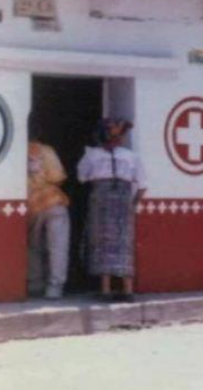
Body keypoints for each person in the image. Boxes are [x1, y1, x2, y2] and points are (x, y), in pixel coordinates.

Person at [78, 118, 146, 302]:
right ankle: (127, 290)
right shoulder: (132, 156)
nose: (122, 138)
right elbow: (142, 186)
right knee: (124, 242)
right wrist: (132, 205)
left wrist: (100, 185)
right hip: (124, 201)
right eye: (120, 134)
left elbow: (82, 177)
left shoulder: (91, 155)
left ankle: (106, 290)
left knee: (102, 242)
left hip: (100, 201)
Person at [26, 116, 71, 300]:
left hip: (31, 206)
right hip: (54, 203)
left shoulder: (14, 153)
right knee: (57, 247)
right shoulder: (47, 150)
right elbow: (58, 177)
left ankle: (35, 284)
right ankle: (55, 288)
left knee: (33, 247)